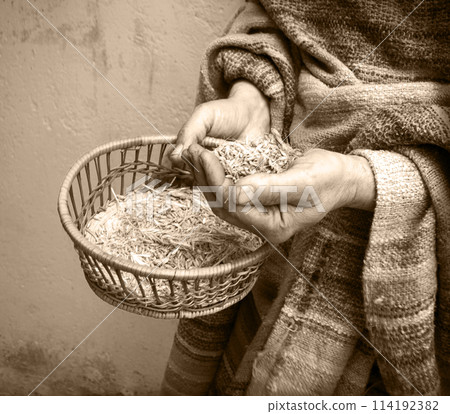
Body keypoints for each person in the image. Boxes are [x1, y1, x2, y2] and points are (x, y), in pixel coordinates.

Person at [162, 0, 450, 396]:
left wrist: (360, 181)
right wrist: (254, 96)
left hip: (409, 280)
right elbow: (281, 17)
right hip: (277, 215)